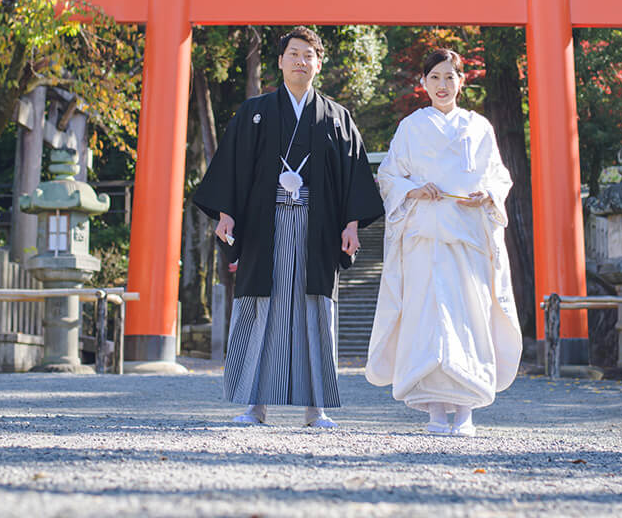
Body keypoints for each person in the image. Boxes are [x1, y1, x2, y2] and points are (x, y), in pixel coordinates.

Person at [194, 26, 384, 428]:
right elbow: (233, 168)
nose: (301, 61)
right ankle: (254, 405)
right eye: (293, 54)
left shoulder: (336, 117)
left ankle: (315, 410)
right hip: (266, 224)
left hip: (318, 226)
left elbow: (353, 176)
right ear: (279, 61)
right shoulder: (253, 112)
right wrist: (227, 212)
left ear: (319, 63)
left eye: (308, 55)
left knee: (315, 310)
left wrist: (351, 224)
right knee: (260, 307)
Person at [366, 49, 522, 436]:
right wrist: (415, 190)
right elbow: (389, 176)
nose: (442, 85)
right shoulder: (410, 127)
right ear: (423, 83)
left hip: (467, 239)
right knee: (427, 321)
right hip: (425, 240)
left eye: (450, 77)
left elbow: (498, 176)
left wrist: (486, 195)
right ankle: (436, 411)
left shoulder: (478, 127)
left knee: (470, 319)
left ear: (462, 82)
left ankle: (466, 411)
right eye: (434, 77)